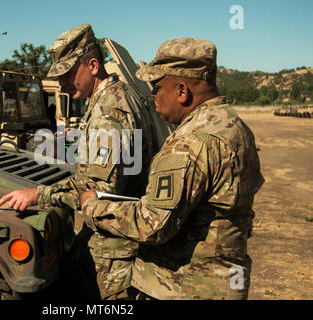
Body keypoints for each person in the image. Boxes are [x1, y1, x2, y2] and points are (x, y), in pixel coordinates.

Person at [80, 37, 265, 300]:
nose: (153, 97)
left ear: (181, 91)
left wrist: (92, 206)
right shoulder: (234, 125)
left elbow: (153, 225)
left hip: (186, 287)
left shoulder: (190, 142)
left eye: (156, 88)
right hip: (223, 283)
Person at [0, 24, 160, 299]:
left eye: (68, 74)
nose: (62, 83)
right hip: (116, 246)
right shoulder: (118, 96)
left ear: (93, 65)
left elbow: (98, 193)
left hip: (114, 255)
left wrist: (38, 194)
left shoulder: (110, 111)